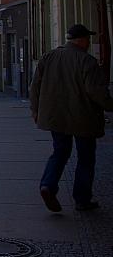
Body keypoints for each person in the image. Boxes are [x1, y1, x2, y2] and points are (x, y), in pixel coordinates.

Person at [32, 24, 113, 213]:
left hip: (55, 116)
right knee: (85, 158)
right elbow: (96, 92)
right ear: (82, 40)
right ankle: (82, 199)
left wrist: (35, 110)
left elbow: (35, 85)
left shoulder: (48, 57)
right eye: (87, 39)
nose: (88, 42)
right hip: (82, 117)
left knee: (60, 152)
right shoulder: (87, 61)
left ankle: (48, 185)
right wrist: (110, 105)